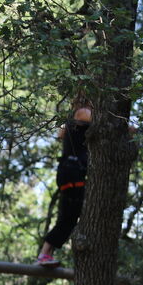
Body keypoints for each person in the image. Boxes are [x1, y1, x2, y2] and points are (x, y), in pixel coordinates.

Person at [36, 103, 92, 267]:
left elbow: (61, 133)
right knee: (67, 218)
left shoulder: (74, 129)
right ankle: (44, 254)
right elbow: (83, 117)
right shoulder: (77, 123)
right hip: (72, 176)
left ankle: (46, 254)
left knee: (69, 219)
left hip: (71, 175)